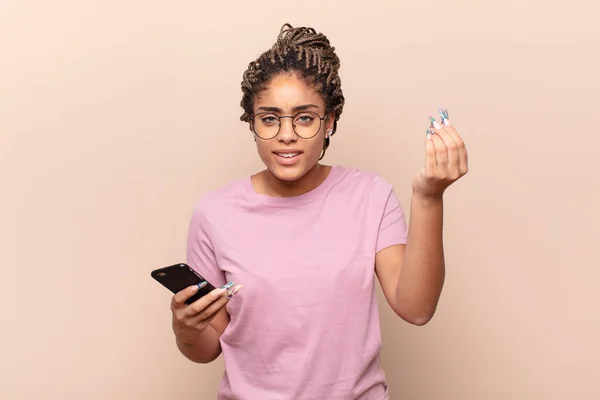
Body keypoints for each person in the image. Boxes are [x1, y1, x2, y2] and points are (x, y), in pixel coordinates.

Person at [169, 23, 468, 400]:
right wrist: (186, 329)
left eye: (305, 118)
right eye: (270, 118)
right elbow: (207, 349)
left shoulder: (370, 196)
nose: (287, 134)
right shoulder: (214, 214)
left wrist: (429, 197)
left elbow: (417, 307)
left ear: (329, 123)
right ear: (253, 124)